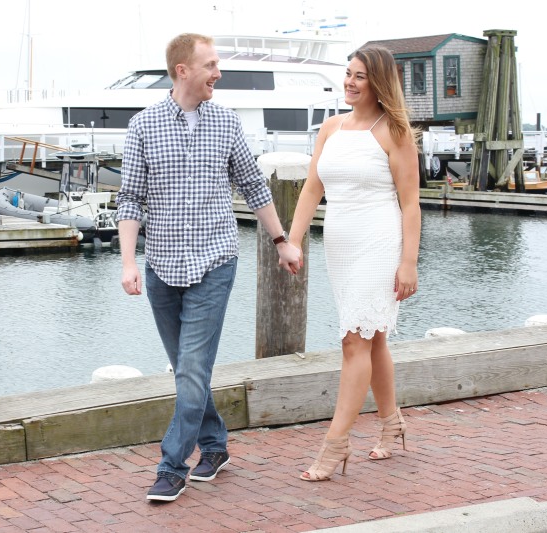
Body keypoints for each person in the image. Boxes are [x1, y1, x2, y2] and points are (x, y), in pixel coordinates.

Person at [116, 32, 302, 503]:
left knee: (192, 369)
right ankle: (215, 446)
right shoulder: (142, 125)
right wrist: (127, 263)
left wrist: (281, 241)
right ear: (184, 70)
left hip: (215, 261)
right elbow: (130, 199)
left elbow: (255, 186)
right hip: (161, 266)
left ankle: (172, 466)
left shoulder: (227, 123)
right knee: (186, 368)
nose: (218, 73)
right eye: (212, 65)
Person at [282, 45, 421, 482]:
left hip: (379, 242)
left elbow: (411, 202)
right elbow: (310, 190)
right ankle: (391, 421)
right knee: (372, 337)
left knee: (353, 342)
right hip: (339, 248)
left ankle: (335, 443)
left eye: (359, 75)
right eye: (347, 73)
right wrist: (295, 239)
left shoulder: (394, 131)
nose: (349, 81)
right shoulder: (331, 128)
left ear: (378, 83)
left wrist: (409, 262)